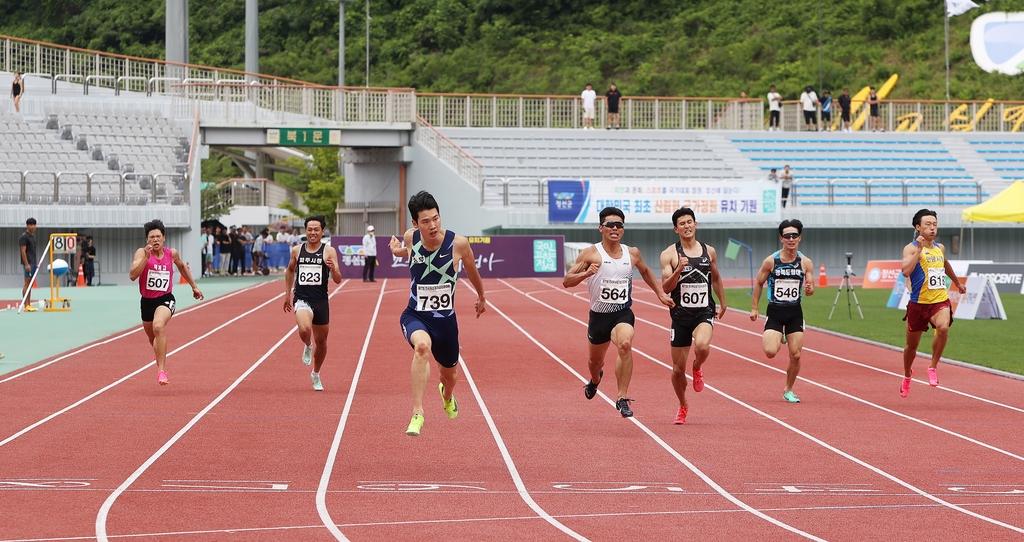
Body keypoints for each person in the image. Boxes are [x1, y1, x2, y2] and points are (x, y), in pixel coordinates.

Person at [388, 191, 487, 436]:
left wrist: (481, 296)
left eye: (436, 218)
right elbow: (407, 251)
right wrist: (396, 251)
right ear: (415, 224)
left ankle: (447, 395)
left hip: (445, 323)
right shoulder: (411, 238)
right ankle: (418, 413)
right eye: (425, 221)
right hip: (415, 314)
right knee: (421, 348)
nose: (432, 225)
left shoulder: (458, 243)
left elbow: (472, 271)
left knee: (449, 375)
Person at [563, 207, 674, 417]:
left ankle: (621, 397)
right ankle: (595, 379)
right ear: (601, 228)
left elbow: (646, 271)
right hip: (598, 317)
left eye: (619, 225)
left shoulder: (632, 253)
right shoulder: (590, 253)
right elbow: (567, 281)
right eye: (610, 225)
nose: (615, 228)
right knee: (594, 363)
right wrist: (586, 273)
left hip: (622, 313)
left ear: (623, 229)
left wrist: (659, 293)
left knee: (625, 344)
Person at [659, 208, 726, 425]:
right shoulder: (669, 254)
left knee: (703, 346)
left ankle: (697, 367)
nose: (687, 226)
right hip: (680, 316)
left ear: (695, 224)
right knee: (678, 371)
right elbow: (666, 287)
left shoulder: (709, 251)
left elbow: (715, 278)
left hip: (703, 311)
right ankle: (683, 405)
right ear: (675, 228)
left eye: (690, 222)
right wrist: (678, 269)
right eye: (682, 223)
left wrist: (723, 302)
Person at [899, 209, 966, 397]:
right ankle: (907, 375)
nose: (932, 228)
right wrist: (919, 251)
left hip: (939, 300)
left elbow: (945, 265)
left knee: (943, 328)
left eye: (935, 224)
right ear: (918, 227)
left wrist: (957, 282)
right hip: (918, 303)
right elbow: (905, 271)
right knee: (911, 348)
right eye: (927, 224)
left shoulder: (940, 248)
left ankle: (933, 367)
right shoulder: (911, 248)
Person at [129, 219, 204, 385]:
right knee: (152, 338)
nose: (155, 240)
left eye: (158, 236)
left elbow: (182, 267)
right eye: (151, 237)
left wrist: (194, 287)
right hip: (146, 301)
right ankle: (158, 352)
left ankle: (161, 371)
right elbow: (133, 275)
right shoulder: (141, 253)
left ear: (163, 238)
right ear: (147, 240)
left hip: (165, 298)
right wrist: (145, 258)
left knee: (158, 327)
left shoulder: (172, 254)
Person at [750, 220, 815, 403]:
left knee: (796, 354)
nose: (791, 239)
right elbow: (758, 283)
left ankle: (788, 389)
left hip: (795, 312)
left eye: (794, 235)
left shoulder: (805, 262)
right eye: (787, 236)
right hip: (776, 311)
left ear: (800, 238)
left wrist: (810, 289)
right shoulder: (771, 261)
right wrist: (755, 308)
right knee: (770, 351)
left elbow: (811, 288)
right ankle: (779, 335)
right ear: (781, 239)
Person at [283, 215, 342, 391]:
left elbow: (338, 279)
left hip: (321, 301)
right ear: (305, 231)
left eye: (316, 229)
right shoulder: (297, 250)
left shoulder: (329, 251)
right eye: (310, 229)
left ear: (322, 231)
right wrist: (287, 294)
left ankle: (316, 374)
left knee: (322, 342)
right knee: (304, 329)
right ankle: (308, 345)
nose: (313, 232)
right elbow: (290, 270)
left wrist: (333, 270)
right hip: (302, 298)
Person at [19, 218, 38, 312]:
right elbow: (23, 251)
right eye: (31, 225)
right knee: (27, 283)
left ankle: (29, 304)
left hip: (34, 262)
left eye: (34, 225)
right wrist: (27, 264)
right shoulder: (24, 237)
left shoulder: (33, 236)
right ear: (27, 225)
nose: (33, 227)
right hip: (28, 263)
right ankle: (26, 305)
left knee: (30, 284)